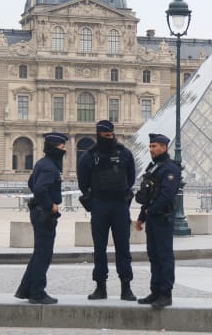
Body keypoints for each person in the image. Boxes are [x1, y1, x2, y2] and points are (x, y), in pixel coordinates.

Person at [77, 120, 136, 301]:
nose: (110, 137)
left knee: (123, 248)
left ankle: (125, 286)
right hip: (101, 204)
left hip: (116, 205)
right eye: (106, 135)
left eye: (111, 134)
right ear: (99, 134)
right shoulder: (89, 156)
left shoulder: (123, 154)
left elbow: (130, 179)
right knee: (99, 249)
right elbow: (83, 183)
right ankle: (101, 286)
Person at [15, 132, 68, 305]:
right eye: (61, 147)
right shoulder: (50, 167)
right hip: (44, 213)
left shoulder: (42, 163)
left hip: (38, 211)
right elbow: (38, 188)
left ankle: (26, 289)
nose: (64, 149)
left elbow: (31, 182)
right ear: (54, 148)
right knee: (44, 254)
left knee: (39, 253)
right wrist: (50, 204)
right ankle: (37, 292)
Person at [135, 133, 181, 309]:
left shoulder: (171, 169)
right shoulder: (154, 168)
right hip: (153, 218)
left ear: (164, 147)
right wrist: (142, 217)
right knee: (153, 255)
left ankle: (165, 293)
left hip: (163, 218)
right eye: (150, 146)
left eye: (154, 146)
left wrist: (150, 211)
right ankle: (155, 291)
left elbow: (166, 196)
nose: (151, 150)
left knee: (164, 256)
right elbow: (148, 196)